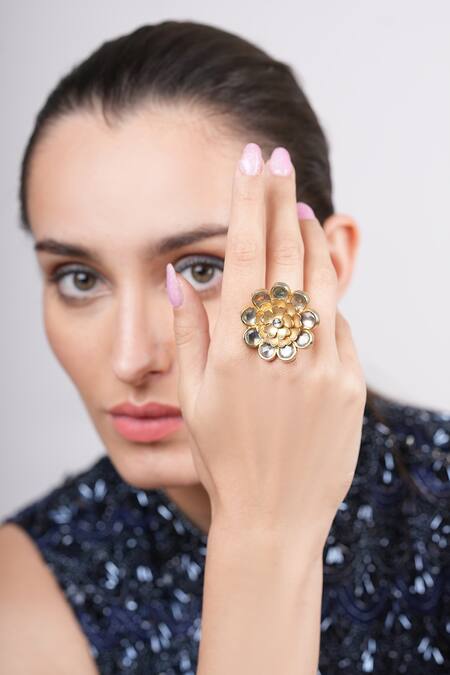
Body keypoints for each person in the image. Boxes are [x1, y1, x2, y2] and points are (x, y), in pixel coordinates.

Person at [0, 18, 448, 675]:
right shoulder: (25, 590)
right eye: (80, 278)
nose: (131, 358)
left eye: (203, 268)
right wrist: (262, 537)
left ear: (328, 264)